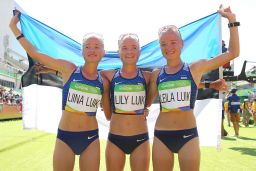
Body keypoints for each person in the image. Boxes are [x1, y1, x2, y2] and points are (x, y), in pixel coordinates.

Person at [10, 10, 111, 171]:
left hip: (91, 138)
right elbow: (35, 53)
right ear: (82, 51)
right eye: (88, 47)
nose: (92, 50)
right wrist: (14, 27)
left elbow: (108, 115)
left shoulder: (104, 82)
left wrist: (137, 109)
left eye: (97, 46)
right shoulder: (68, 68)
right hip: (65, 137)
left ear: (103, 52)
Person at [147, 5, 239, 171]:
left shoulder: (195, 68)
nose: (168, 47)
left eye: (173, 42)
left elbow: (233, 53)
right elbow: (148, 101)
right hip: (161, 136)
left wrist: (232, 21)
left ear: (182, 44)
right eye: (163, 44)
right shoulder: (156, 74)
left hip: (188, 135)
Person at [102, 33, 151, 171]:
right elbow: (86, 76)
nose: (129, 51)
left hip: (140, 139)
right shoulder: (108, 75)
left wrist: (209, 84)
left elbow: (178, 81)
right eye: (124, 48)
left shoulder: (148, 77)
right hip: (115, 138)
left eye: (134, 47)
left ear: (139, 51)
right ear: (118, 52)